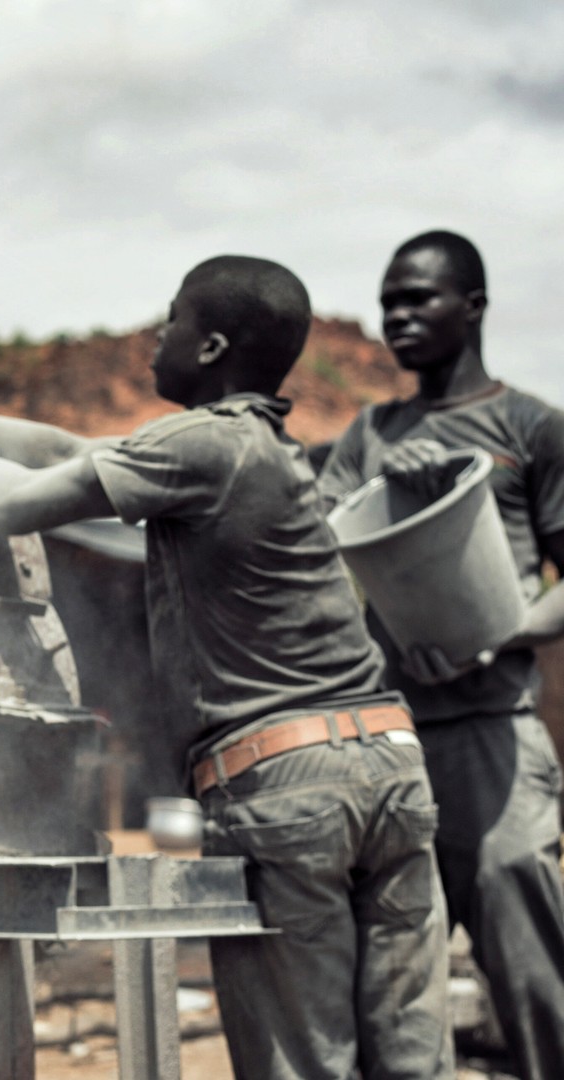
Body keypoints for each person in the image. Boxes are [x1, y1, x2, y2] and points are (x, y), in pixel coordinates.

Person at [0, 255, 453, 1079]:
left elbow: (10, 502)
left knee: (308, 1063)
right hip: (390, 770)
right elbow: (66, 449)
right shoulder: (255, 447)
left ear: (211, 347)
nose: (157, 338)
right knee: (415, 1061)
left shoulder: (200, 444)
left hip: (291, 786)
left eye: (172, 323)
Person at [319, 230, 564, 1080]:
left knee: (531, 963)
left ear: (475, 306)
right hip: (389, 742)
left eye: (418, 298)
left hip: (492, 734)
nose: (397, 317)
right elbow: (321, 549)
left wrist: (501, 633)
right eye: (388, 302)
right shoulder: (370, 433)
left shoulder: (530, 427)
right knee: (397, 988)